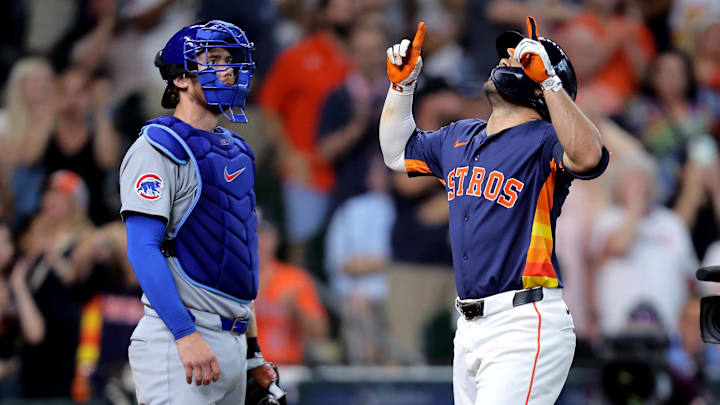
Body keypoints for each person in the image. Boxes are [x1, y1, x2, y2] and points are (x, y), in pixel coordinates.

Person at [380, 17, 609, 404]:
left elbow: (590, 156)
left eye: (522, 58)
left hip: (524, 319)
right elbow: (397, 153)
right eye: (509, 54)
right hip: (469, 326)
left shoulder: (545, 141)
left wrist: (551, 82)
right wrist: (401, 88)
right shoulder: (461, 136)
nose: (507, 59)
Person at [119, 20, 276, 404]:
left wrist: (252, 350)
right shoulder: (156, 148)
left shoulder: (234, 149)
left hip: (234, 345)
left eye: (229, 60)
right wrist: (184, 334)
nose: (227, 69)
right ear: (180, 79)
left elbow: (237, 255)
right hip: (180, 342)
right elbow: (142, 248)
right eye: (212, 60)